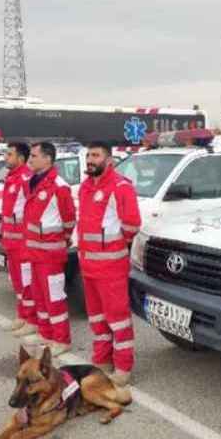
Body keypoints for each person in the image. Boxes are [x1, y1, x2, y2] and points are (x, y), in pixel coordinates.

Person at [77, 141, 141, 387]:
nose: (90, 160)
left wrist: (112, 246)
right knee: (97, 319)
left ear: (109, 161)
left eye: (95, 155)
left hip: (111, 267)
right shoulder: (84, 187)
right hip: (89, 266)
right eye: (88, 155)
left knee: (118, 319)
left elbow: (132, 225)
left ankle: (123, 367)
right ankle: (102, 360)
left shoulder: (121, 187)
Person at [22, 142, 76, 356]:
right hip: (34, 251)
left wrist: (61, 239)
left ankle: (61, 339)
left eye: (34, 156)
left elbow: (69, 219)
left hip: (50, 253)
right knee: (39, 295)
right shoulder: (33, 182)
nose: (30, 159)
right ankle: (45, 333)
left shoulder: (59, 186)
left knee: (54, 296)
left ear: (47, 159)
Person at [1, 143, 37, 337]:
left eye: (9, 154)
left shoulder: (26, 179)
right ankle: (22, 316)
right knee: (17, 281)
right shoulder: (11, 178)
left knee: (26, 282)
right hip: (11, 240)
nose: (5, 157)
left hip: (23, 241)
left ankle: (32, 319)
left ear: (21, 158)